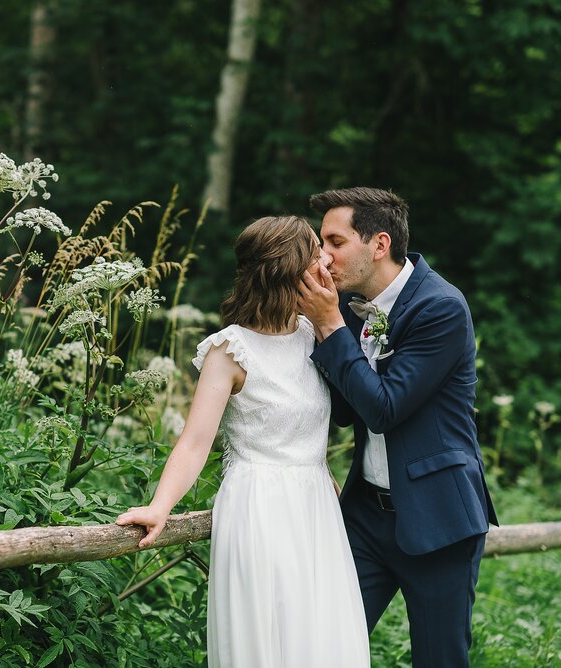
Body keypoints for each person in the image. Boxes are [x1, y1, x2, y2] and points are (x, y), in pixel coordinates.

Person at [117, 215, 371, 667]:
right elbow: (195, 442)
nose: (326, 261)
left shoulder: (317, 335)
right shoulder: (230, 350)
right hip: (259, 508)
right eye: (316, 253)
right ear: (291, 270)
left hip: (316, 507)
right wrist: (160, 507)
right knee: (270, 639)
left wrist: (323, 476)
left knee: (323, 642)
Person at [297, 186, 498, 667]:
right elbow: (346, 411)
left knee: (439, 660)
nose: (323, 256)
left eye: (335, 242)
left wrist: (329, 327)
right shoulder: (347, 306)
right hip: (365, 515)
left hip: (437, 518)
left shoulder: (441, 307)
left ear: (379, 244)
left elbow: (384, 409)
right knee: (325, 650)